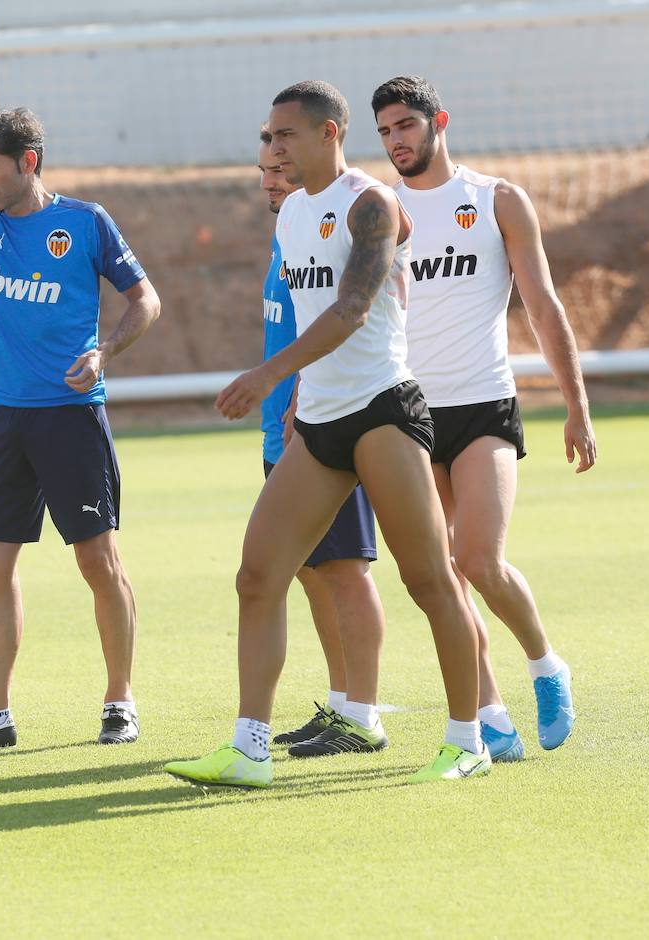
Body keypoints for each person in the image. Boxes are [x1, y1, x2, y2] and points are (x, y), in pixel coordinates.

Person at [165, 81, 490, 788]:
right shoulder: (292, 217)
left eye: (286, 135)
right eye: (270, 136)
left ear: (329, 134)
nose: (274, 147)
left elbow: (349, 309)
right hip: (319, 419)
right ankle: (249, 748)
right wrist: (298, 396)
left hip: (383, 414)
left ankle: (468, 740)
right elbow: (314, 310)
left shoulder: (371, 203)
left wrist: (267, 375)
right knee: (258, 576)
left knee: (430, 580)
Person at [0, 108, 161, 750]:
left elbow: (145, 301)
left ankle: (120, 699)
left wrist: (105, 352)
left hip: (71, 417)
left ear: (29, 162)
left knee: (96, 559)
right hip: (5, 417)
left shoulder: (86, 222)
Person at [372, 75, 597, 759]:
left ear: (438, 121)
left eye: (405, 125)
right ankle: (492, 714)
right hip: (409, 411)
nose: (395, 142)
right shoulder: (379, 211)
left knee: (478, 556)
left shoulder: (496, 200)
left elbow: (545, 306)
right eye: (383, 132)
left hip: (485, 405)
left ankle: (545, 665)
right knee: (443, 577)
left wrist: (577, 407)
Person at [255, 127, 389, 758]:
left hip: (328, 426)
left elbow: (342, 322)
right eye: (263, 172)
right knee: (310, 572)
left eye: (279, 169)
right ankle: (340, 704)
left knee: (345, 569)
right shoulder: (289, 238)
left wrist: (298, 397)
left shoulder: (351, 218)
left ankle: (362, 712)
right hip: (284, 430)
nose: (270, 183)